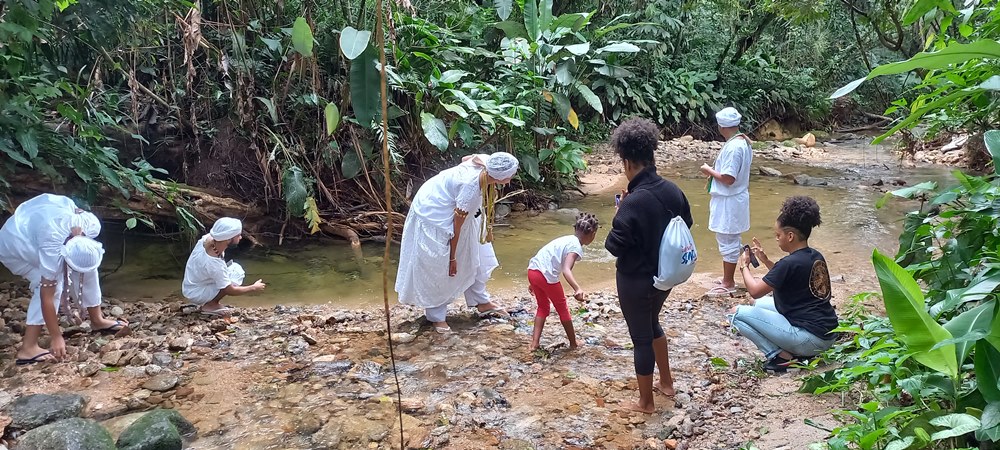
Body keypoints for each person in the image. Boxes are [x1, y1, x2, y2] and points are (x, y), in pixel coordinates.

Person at [605, 118, 694, 414]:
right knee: (652, 323)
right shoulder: (673, 190)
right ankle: (666, 382)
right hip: (665, 278)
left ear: (628, 161)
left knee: (641, 338)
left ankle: (646, 403)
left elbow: (613, 246)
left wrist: (620, 212)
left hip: (637, 280)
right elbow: (687, 225)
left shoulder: (633, 201)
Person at [395, 152, 519, 333]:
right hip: (435, 213)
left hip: (460, 207)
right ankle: (436, 317)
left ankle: (481, 301)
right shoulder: (471, 188)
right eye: (510, 176)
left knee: (479, 254)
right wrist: (452, 258)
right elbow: (457, 225)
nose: (510, 180)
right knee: (440, 266)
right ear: (501, 179)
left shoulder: (487, 161)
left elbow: (466, 158)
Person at [0, 193, 127, 365]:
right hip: (15, 244)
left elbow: (78, 216)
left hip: (45, 219)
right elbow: (47, 296)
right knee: (52, 284)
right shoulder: (51, 246)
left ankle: (97, 320)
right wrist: (56, 336)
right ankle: (28, 348)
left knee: (87, 267)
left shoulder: (91, 226)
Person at [731, 196, 839, 372]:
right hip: (827, 334)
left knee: (736, 314)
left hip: (810, 340)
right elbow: (787, 276)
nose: (776, 239)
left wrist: (744, 266)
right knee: (756, 305)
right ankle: (794, 352)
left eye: (778, 235)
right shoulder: (814, 255)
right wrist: (765, 260)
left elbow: (755, 291)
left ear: (790, 236)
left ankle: (780, 357)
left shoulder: (788, 263)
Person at [526, 212, 599, 352]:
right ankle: (573, 343)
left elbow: (546, 257)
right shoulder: (575, 247)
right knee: (562, 308)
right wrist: (577, 288)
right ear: (592, 234)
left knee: (543, 307)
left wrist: (534, 282)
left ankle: (534, 344)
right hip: (545, 276)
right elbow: (566, 270)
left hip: (533, 271)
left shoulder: (566, 239)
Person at [700, 107, 753, 296]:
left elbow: (728, 178)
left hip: (730, 200)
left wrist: (708, 170)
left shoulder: (734, 147)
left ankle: (728, 282)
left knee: (727, 240)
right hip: (733, 199)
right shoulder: (741, 142)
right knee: (729, 239)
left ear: (722, 127)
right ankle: (735, 267)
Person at [182, 217, 266, 315]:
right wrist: (253, 287)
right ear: (228, 239)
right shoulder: (214, 264)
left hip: (191, 286)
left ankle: (210, 300)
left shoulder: (208, 239)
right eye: (238, 235)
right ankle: (211, 305)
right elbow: (230, 290)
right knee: (237, 273)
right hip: (196, 293)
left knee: (235, 268)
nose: (241, 237)